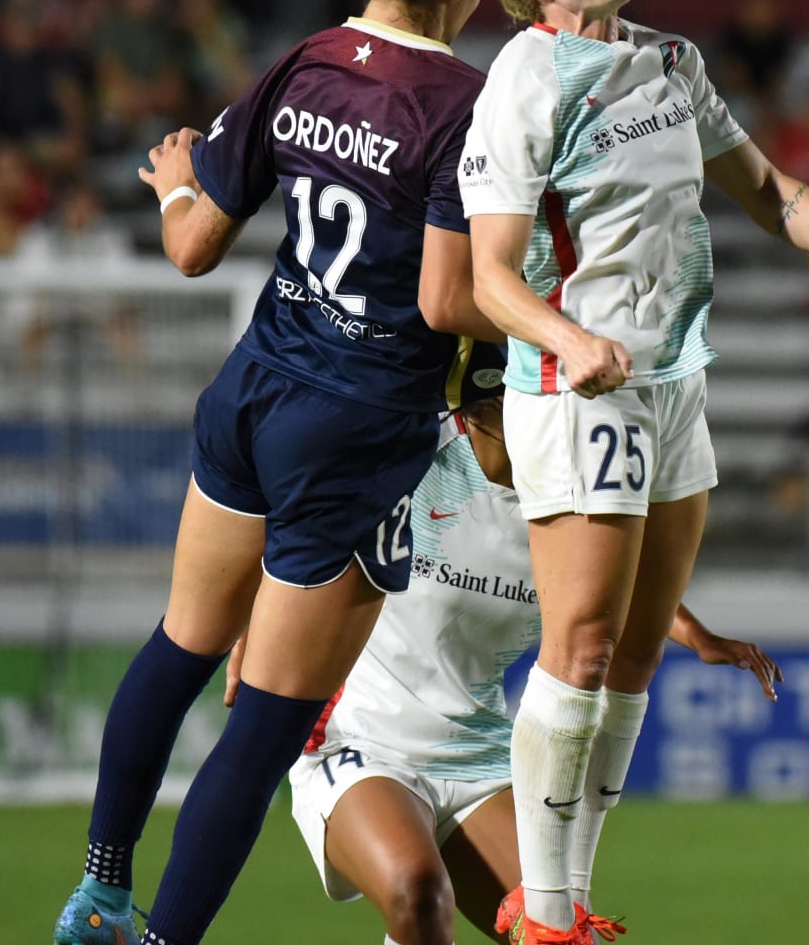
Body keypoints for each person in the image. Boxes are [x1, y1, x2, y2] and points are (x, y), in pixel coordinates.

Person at [455, 0, 809, 945]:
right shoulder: (526, 78)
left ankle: (571, 898)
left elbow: (770, 192)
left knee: (636, 653)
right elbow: (488, 276)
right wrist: (566, 338)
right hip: (575, 383)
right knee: (581, 644)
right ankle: (542, 917)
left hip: (674, 383)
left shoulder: (672, 62)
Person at [52, 0, 501, 945]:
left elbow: (194, 246)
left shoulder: (302, 66)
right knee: (265, 733)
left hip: (254, 388)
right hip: (355, 430)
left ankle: (101, 888)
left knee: (183, 643)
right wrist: (548, 316)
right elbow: (446, 300)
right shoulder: (463, 106)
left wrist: (170, 184)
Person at [255, 341, 779, 945]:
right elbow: (303, 527)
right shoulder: (414, 460)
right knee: (419, 894)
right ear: (476, 410)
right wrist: (258, 627)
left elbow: (617, 591)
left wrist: (697, 636)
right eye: (515, 404)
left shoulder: (562, 501)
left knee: (557, 933)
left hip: (481, 758)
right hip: (364, 742)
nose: (538, 421)